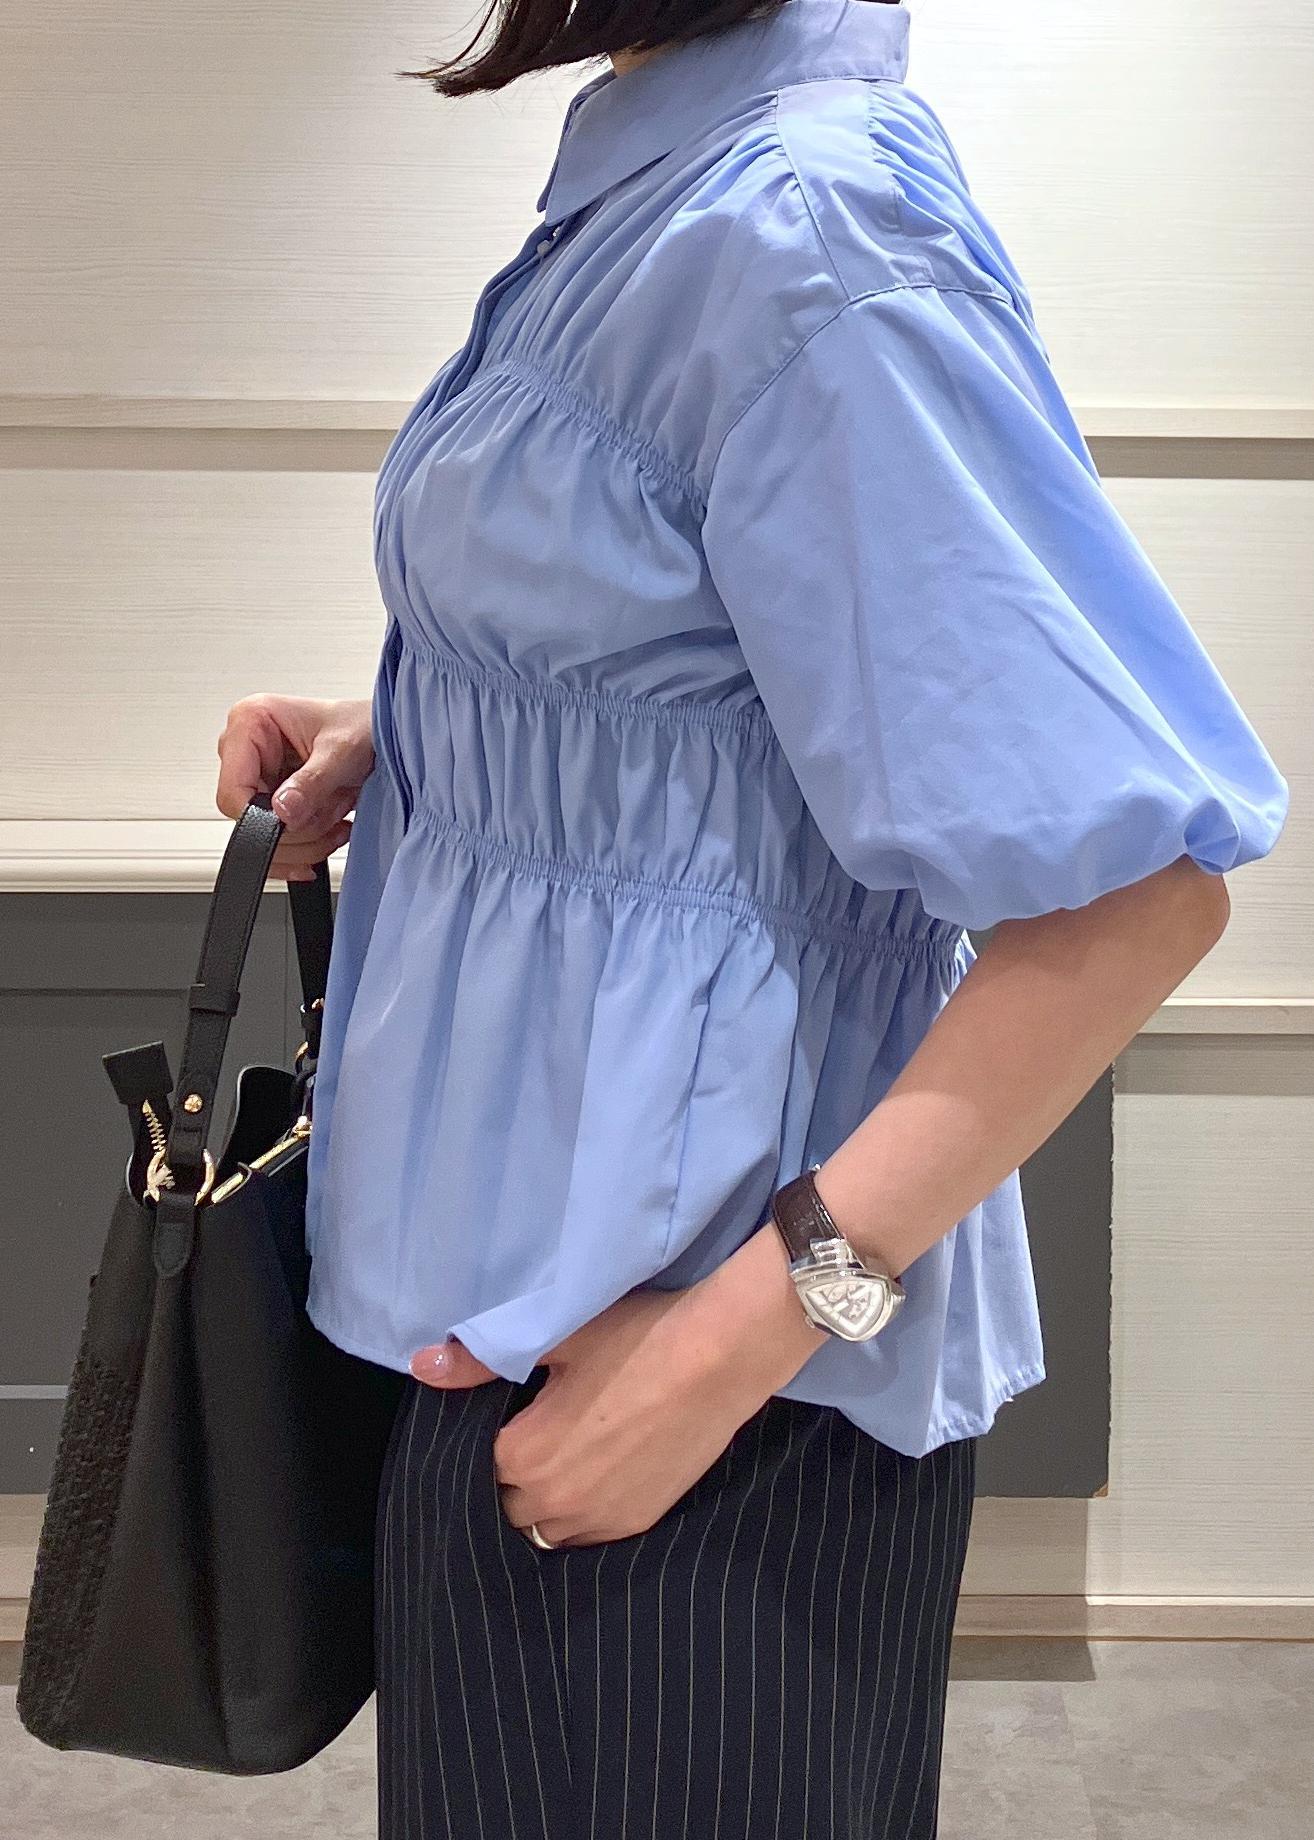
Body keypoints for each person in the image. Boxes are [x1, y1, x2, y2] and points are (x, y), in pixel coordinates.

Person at [214, 2, 1289, 1834]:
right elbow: (702, 645)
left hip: (689, 1392)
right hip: (525, 1314)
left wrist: (719, 1359)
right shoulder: (662, 193)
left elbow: (1125, 902)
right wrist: (422, 730)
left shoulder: (806, 232)